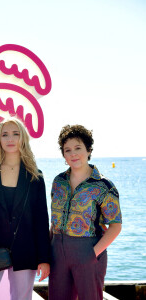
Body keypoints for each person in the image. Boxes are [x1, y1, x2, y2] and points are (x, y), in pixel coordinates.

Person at [0, 118, 51, 300]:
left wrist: (44, 258)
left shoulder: (35, 176)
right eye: (5, 134)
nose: (10, 139)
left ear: (23, 138)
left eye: (15, 134)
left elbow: (41, 221)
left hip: (25, 251)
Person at [48, 125, 122, 300]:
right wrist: (47, 250)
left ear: (88, 150)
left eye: (78, 148)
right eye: (68, 150)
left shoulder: (104, 186)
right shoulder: (58, 182)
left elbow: (115, 226)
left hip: (88, 252)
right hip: (57, 252)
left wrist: (92, 253)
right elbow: (54, 221)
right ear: (64, 156)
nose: (73, 154)